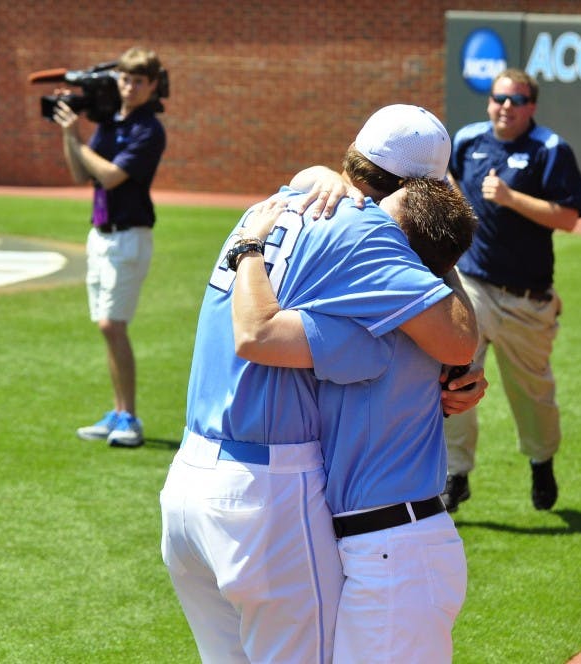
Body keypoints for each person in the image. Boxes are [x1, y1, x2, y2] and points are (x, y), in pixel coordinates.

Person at [159, 104, 479, 663]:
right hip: (265, 491)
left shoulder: (273, 204)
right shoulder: (366, 231)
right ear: (420, 193)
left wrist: (313, 172)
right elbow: (456, 340)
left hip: (187, 485)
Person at [229, 173, 481, 662]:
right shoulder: (417, 325)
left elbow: (256, 333)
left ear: (399, 257)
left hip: (396, 553)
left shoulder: (373, 333)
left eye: (379, 224)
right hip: (387, 545)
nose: (361, 224)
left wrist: (250, 249)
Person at [442, 68, 581, 512]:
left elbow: (568, 217)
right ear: (489, 102)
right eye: (499, 97)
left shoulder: (550, 149)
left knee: (533, 393)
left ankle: (541, 461)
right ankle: (455, 473)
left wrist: (510, 198)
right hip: (473, 285)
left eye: (517, 100)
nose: (506, 106)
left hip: (526, 297)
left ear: (531, 107)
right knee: (454, 376)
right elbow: (446, 181)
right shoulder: (467, 141)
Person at [51, 46, 167, 448]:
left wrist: (81, 141)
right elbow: (80, 172)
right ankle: (118, 412)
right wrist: (70, 135)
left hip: (129, 235)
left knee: (111, 325)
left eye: (137, 80)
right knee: (107, 328)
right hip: (100, 233)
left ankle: (130, 418)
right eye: (124, 78)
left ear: (151, 85)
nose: (129, 86)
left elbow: (112, 175)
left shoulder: (147, 129)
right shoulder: (111, 123)